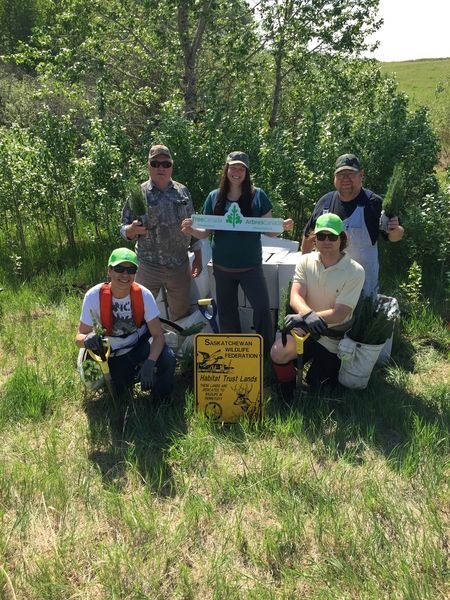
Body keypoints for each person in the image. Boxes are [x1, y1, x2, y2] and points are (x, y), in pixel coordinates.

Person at [181, 151, 293, 351]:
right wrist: (191, 230)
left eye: (241, 168)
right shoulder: (214, 197)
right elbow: (205, 232)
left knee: (261, 310)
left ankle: (267, 353)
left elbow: (270, 229)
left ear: (247, 172)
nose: (237, 172)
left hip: (251, 267)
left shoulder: (258, 196)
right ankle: (234, 353)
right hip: (222, 268)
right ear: (226, 169)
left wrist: (282, 226)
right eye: (233, 167)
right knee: (226, 313)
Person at [271, 213, 365, 393]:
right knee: (278, 351)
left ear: (342, 238)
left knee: (320, 386)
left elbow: (340, 313)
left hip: (332, 336)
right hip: (304, 329)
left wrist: (307, 317)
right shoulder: (305, 261)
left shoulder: (355, 271)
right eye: (321, 236)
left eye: (332, 236)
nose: (326, 241)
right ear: (315, 239)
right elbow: (295, 296)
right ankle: (288, 390)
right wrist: (307, 316)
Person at [76, 247, 176, 399]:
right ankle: (125, 378)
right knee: (118, 392)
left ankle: (160, 401)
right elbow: (79, 338)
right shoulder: (93, 296)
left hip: (140, 346)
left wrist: (150, 362)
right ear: (109, 271)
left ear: (136, 273)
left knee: (168, 358)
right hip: (113, 353)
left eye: (131, 270)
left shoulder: (144, 295)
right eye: (119, 268)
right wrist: (87, 339)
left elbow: (158, 335)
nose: (125, 274)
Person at [301, 154, 404, 297]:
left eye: (350, 174)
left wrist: (395, 229)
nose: (345, 179)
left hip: (364, 288)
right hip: (327, 287)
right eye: (341, 175)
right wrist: (304, 271)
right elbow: (308, 236)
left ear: (361, 175)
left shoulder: (374, 203)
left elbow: (394, 237)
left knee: (361, 318)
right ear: (334, 177)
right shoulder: (325, 202)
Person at [120, 144, 202, 321]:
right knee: (139, 311)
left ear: (171, 166)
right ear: (148, 165)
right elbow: (123, 228)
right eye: (155, 163)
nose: (161, 168)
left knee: (180, 315)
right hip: (148, 266)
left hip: (179, 266)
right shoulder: (138, 193)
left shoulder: (182, 192)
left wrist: (198, 257)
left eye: (166, 164)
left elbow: (192, 225)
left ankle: (179, 347)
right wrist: (131, 230)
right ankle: (143, 346)